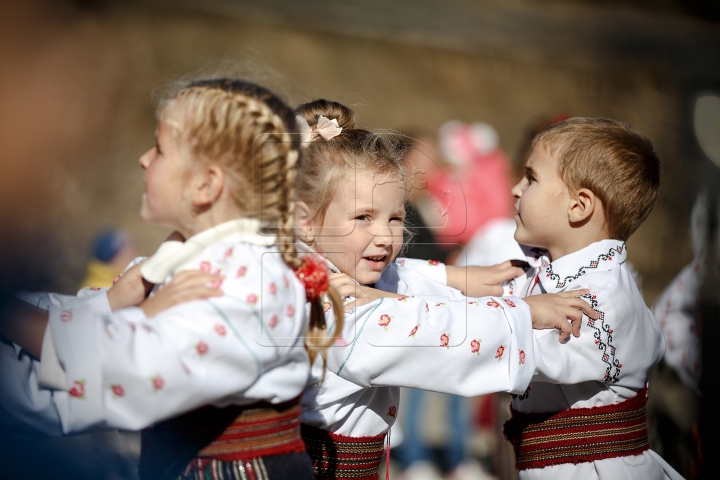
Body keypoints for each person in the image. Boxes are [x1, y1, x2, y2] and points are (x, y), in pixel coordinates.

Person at [0, 78, 345, 480]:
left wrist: (15, 316)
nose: (145, 160)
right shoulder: (181, 263)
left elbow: (127, 372)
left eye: (160, 149)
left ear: (205, 185)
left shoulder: (247, 281)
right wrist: (114, 304)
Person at [291, 100, 596, 480]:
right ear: (305, 221)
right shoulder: (329, 304)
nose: (385, 236)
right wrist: (526, 313)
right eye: (363, 217)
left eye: (396, 217)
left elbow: (397, 279)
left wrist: (455, 280)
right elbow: (439, 333)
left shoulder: (317, 271)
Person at [500, 117, 683, 479]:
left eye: (531, 178)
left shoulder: (601, 301)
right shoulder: (543, 271)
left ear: (579, 207)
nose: (515, 189)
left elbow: (517, 352)